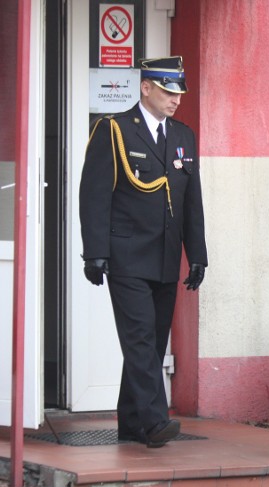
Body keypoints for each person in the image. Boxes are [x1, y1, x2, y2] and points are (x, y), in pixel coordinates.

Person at [79, 56, 207, 448]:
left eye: (179, 93)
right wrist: (95, 252)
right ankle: (154, 421)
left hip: (166, 257)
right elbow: (94, 194)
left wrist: (198, 254)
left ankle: (131, 423)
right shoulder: (114, 130)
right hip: (127, 255)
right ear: (146, 88)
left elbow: (191, 202)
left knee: (151, 343)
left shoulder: (183, 136)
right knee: (138, 338)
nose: (175, 100)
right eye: (168, 92)